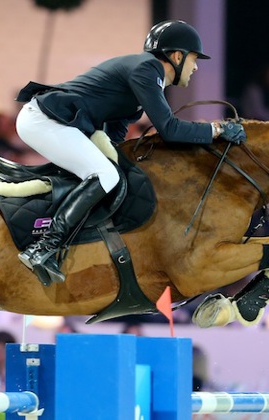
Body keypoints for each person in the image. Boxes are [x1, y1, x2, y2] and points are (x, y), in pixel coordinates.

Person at [14, 20, 246, 285]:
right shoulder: (147, 70)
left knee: (112, 173)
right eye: (194, 59)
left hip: (51, 120)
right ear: (178, 56)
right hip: (44, 120)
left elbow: (114, 137)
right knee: (104, 175)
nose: (196, 68)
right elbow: (169, 129)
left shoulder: (145, 77)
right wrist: (216, 130)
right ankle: (43, 247)